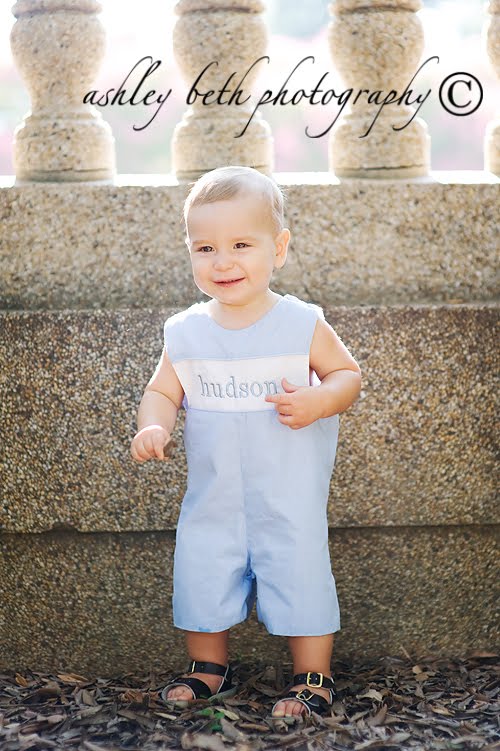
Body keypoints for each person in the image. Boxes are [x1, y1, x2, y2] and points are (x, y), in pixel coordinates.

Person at [130, 166, 361, 720]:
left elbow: (346, 376)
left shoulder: (300, 323)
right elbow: (162, 390)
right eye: (205, 248)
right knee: (202, 570)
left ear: (278, 248)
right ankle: (207, 667)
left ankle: (313, 677)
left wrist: (318, 400)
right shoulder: (186, 332)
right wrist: (153, 424)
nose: (222, 261)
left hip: (287, 493)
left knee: (300, 571)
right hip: (215, 497)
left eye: (241, 245)